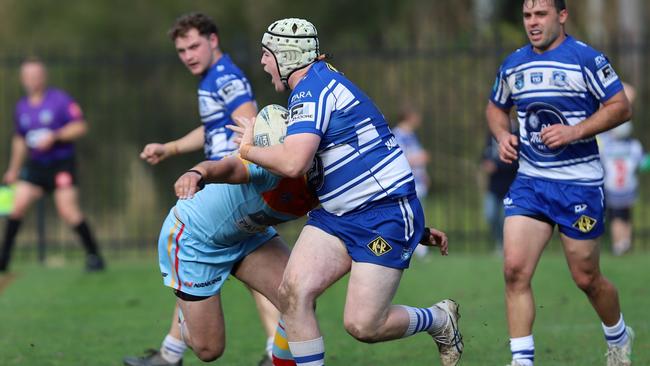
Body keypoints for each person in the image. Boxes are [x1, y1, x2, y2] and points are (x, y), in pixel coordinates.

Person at [229, 18, 463, 366]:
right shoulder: (317, 84)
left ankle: (440, 320)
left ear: (287, 55)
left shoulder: (312, 89)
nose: (263, 63)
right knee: (292, 293)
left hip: (383, 215)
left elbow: (293, 163)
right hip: (339, 216)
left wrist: (247, 150)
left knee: (364, 325)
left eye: (267, 54)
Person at [485, 1, 634, 365]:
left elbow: (620, 106)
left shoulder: (587, 59)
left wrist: (575, 131)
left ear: (562, 16)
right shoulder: (513, 63)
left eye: (541, 15)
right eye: (527, 16)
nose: (532, 23)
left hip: (578, 186)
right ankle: (522, 360)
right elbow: (495, 107)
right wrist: (502, 135)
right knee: (514, 270)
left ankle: (617, 336)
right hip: (531, 183)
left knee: (587, 278)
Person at [127, 13, 275, 366]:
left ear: (213, 40)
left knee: (193, 254)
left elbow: (247, 123)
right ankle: (273, 352)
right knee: (257, 272)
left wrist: (231, 167)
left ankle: (170, 355)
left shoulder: (225, 78)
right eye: (181, 50)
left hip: (228, 188)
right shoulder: (213, 77)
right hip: (231, 186)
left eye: (194, 45)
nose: (189, 55)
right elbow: (214, 127)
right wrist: (172, 147)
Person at [0, 58, 105, 273]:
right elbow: (19, 140)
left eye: (36, 76)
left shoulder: (60, 100)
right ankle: (4, 259)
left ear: (44, 77)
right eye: (28, 76)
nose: (32, 80)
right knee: (16, 205)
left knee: (68, 211)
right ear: (22, 79)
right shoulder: (21, 107)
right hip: (36, 165)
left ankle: (94, 256)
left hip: (61, 164)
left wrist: (55, 136)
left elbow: (80, 126)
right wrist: (13, 169)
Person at [600, 84, 645, 256]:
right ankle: (625, 242)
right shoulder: (634, 146)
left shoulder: (606, 144)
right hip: (629, 186)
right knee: (625, 216)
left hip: (613, 187)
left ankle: (620, 245)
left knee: (617, 217)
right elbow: (641, 162)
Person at [393, 105, 431, 258]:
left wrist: (425, 175)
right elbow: (399, 159)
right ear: (409, 117)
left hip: (418, 181)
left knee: (417, 214)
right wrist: (419, 158)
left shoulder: (411, 135)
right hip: (407, 182)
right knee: (408, 216)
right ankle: (415, 248)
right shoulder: (398, 135)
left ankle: (417, 247)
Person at [480, 126, 518, 253]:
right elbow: (485, 154)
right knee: (490, 215)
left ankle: (506, 245)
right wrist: (485, 163)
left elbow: (516, 160)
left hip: (509, 186)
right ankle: (499, 241)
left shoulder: (516, 133)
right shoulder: (492, 133)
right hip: (493, 187)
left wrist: (496, 165)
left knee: (505, 219)